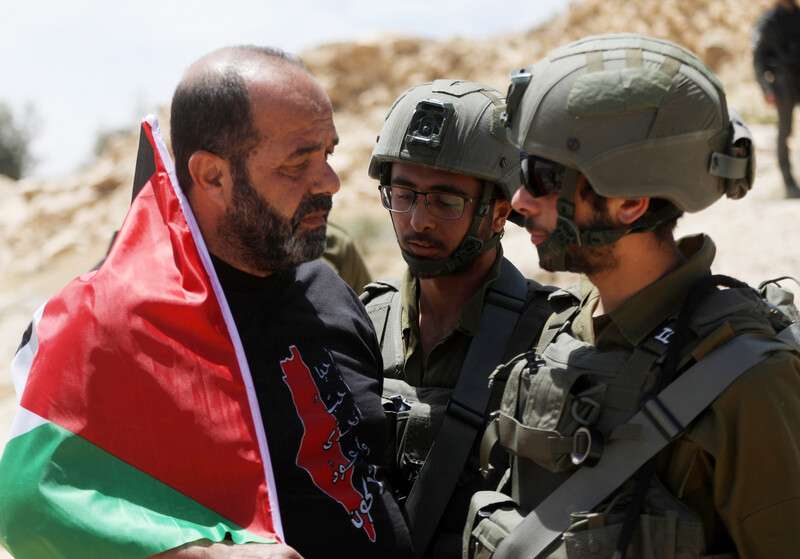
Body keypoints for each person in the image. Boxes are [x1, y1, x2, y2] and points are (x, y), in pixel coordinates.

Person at [0, 46, 412, 559]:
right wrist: (199, 554)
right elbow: (29, 503)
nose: (329, 181)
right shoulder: (113, 316)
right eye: (297, 161)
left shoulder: (328, 289)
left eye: (327, 153)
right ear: (213, 176)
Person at [465, 34, 800, 559]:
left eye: (544, 176)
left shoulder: (746, 381)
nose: (520, 199)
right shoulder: (565, 328)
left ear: (629, 202)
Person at [360, 80, 555, 558]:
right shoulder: (362, 322)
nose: (418, 221)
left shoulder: (546, 339)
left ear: (498, 213)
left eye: (446, 202)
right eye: (403, 193)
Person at [752, 0, 800, 198]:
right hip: (784, 83)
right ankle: (789, 184)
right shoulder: (769, 21)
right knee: (785, 131)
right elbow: (758, 57)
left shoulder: (797, 15)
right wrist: (766, 87)